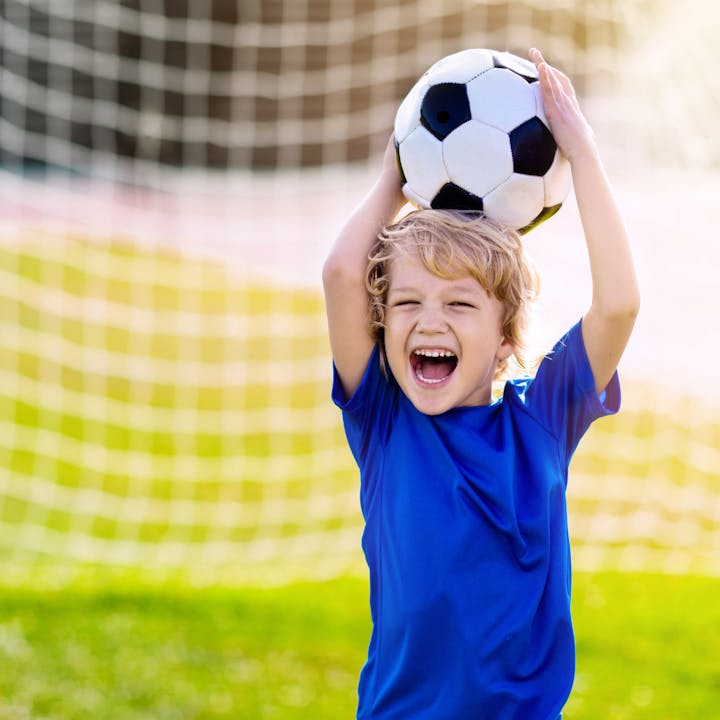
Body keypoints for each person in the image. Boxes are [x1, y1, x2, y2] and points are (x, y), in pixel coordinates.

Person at [322, 48, 640, 720]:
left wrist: (582, 154)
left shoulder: (543, 421)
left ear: (503, 340)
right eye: (407, 303)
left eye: (459, 304)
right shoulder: (383, 420)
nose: (428, 321)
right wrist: (394, 175)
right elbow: (344, 276)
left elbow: (617, 305)